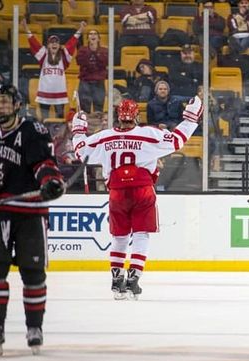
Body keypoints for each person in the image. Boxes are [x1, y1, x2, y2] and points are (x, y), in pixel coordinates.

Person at [72, 96, 203, 300]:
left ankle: (117, 280)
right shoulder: (148, 134)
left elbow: (80, 153)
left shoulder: (104, 137)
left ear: (118, 115)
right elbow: (177, 141)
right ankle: (134, 278)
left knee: (120, 236)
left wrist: (79, 130)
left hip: (117, 191)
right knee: (141, 234)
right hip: (142, 189)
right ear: (136, 115)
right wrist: (191, 119)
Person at [0, 84, 65, 355]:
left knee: (33, 273)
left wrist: (51, 182)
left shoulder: (32, 131)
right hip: (0, 213)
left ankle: (34, 327)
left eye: (4, 101)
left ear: (16, 105)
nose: (1, 105)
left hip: (31, 212)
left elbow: (44, 165)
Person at [23, 19, 85, 119]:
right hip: (44, 95)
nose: (54, 44)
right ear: (48, 45)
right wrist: (26, 28)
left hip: (59, 96)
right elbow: (33, 41)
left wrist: (81, 29)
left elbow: (72, 42)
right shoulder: (43, 54)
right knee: (44, 119)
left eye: (56, 42)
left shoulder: (64, 56)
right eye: (51, 42)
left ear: (59, 45)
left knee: (59, 120)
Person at [76, 29, 108, 113]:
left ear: (99, 38)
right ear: (87, 38)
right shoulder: (82, 50)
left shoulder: (104, 51)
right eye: (90, 34)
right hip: (85, 82)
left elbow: (104, 63)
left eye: (95, 34)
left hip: (99, 82)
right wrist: (90, 51)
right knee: (84, 109)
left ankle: (97, 126)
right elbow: (79, 62)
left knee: (98, 109)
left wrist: (96, 52)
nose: (93, 35)